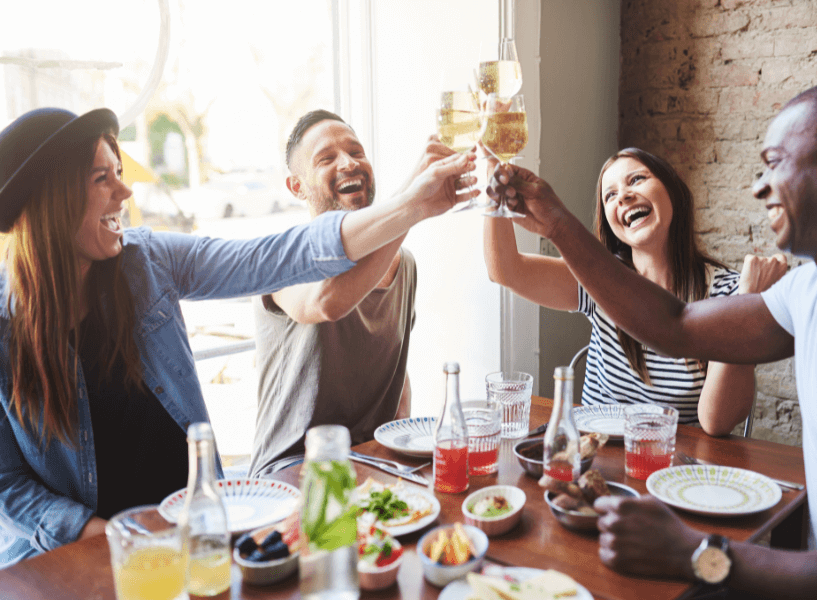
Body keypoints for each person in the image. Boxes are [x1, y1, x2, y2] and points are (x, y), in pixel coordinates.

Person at [488, 78, 817, 598]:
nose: (759, 187)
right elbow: (675, 326)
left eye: (775, 162)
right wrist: (555, 222)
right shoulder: (808, 290)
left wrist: (700, 556)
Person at [0, 106, 476, 567]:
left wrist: (410, 203)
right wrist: (111, 537)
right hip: (78, 558)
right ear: (50, 201)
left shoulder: (147, 261)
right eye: (102, 178)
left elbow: (273, 257)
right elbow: (6, 485)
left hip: (197, 535)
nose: (124, 191)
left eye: (118, 171)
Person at [483, 148, 787, 435]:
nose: (624, 196)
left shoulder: (730, 291)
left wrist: (747, 300)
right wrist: (493, 191)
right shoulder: (598, 278)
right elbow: (505, 270)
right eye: (610, 195)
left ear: (674, 193)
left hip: (674, 469)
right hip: (596, 456)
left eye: (637, 179)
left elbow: (715, 422)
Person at [248, 110, 453, 476]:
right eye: (326, 158)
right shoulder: (282, 255)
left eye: (357, 153)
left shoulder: (403, 264)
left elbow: (394, 372)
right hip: (294, 468)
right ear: (297, 187)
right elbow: (326, 301)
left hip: (371, 459)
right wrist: (412, 204)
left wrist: (401, 452)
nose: (348, 163)